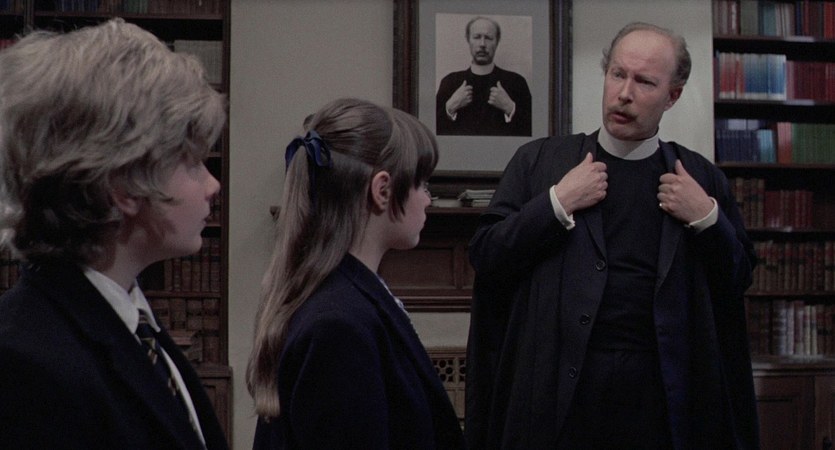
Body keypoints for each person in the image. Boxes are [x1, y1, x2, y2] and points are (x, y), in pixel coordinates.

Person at [465, 22, 759, 449]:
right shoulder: (539, 162)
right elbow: (486, 256)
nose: (624, 93)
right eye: (617, 74)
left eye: (644, 82)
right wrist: (557, 202)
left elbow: (738, 278)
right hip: (558, 391)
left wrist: (707, 218)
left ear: (672, 96)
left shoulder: (701, 177)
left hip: (662, 395)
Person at [0, 19, 229, 449]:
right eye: (191, 162)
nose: (212, 184)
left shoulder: (135, 325)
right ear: (122, 186)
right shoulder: (26, 361)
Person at [246, 98, 465, 450]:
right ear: (382, 191)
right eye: (422, 184)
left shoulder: (352, 299)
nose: (428, 199)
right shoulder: (339, 325)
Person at [435, 16, 532, 136]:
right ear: (468, 40)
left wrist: (510, 107)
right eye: (476, 37)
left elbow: (534, 131)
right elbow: (430, 132)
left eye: (489, 38)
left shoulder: (517, 82)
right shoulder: (450, 82)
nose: (482, 44)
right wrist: (450, 107)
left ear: (497, 41)